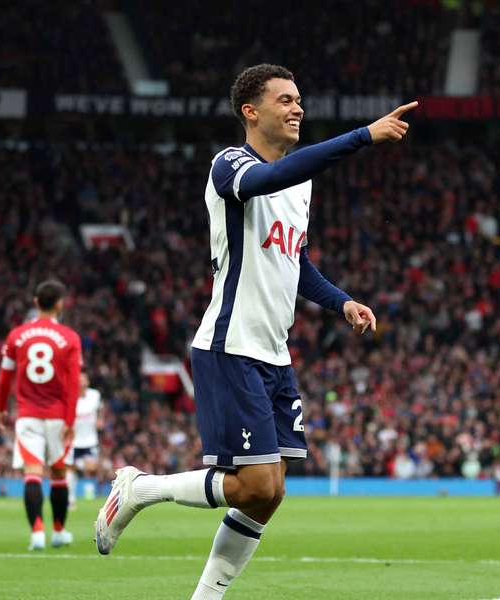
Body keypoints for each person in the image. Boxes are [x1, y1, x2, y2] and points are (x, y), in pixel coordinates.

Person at [95, 64, 416, 597]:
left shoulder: (301, 182)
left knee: (270, 494)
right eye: (285, 100)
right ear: (251, 111)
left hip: (274, 354)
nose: (298, 109)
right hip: (229, 347)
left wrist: (342, 303)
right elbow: (266, 180)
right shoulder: (231, 166)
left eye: (300, 100)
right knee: (255, 483)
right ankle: (139, 488)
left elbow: (297, 261)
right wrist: (362, 136)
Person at [0, 280, 83, 551]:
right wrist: (69, 421)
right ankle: (59, 532)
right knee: (58, 472)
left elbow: (5, 377)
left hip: (28, 415)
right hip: (58, 416)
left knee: (32, 473)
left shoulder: (16, 336)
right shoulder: (70, 338)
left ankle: (36, 533)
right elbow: (73, 384)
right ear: (60, 304)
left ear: (36, 303)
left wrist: (1, 409)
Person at [68, 372, 103, 507]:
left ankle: (77, 467)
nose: (81, 382)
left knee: (92, 467)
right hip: (73, 440)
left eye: (83, 379)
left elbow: (100, 408)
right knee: (69, 473)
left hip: (90, 440)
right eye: (79, 380)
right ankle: (71, 500)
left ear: (87, 382)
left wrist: (100, 419)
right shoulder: (69, 397)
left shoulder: (94, 395)